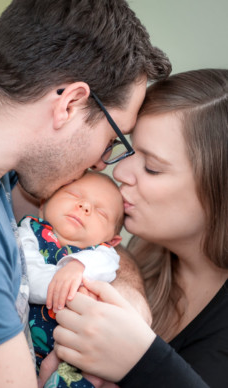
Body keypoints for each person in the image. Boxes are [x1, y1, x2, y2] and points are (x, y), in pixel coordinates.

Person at [0, 0, 171, 387]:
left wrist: (125, 293)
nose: (102, 163)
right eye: (112, 138)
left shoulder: (3, 175)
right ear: (71, 103)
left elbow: (88, 238)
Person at [53, 69, 228, 388]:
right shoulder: (140, 259)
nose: (120, 172)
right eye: (132, 150)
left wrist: (141, 361)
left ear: (219, 194)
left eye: (152, 168)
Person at [18, 171, 124, 387]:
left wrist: (78, 266)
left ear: (112, 240)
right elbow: (28, 273)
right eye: (73, 195)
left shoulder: (102, 254)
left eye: (101, 213)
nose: (85, 207)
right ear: (43, 203)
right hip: (21, 347)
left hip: (76, 356)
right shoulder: (30, 230)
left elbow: (108, 266)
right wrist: (64, 281)